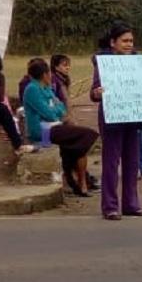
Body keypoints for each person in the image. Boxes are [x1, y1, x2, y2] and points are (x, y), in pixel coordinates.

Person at [90, 23, 142, 220]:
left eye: (131, 41)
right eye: (124, 41)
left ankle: (131, 204)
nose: (129, 44)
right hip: (111, 118)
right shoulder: (103, 63)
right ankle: (110, 206)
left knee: (132, 162)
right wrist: (97, 93)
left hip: (133, 117)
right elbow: (94, 93)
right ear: (112, 43)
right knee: (111, 162)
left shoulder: (138, 61)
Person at [23, 58, 99, 197]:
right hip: (42, 130)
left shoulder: (47, 88)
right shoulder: (32, 89)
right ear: (45, 74)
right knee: (87, 134)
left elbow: (61, 109)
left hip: (55, 126)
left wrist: (56, 109)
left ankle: (77, 181)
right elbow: (50, 114)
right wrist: (56, 109)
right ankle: (78, 180)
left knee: (78, 146)